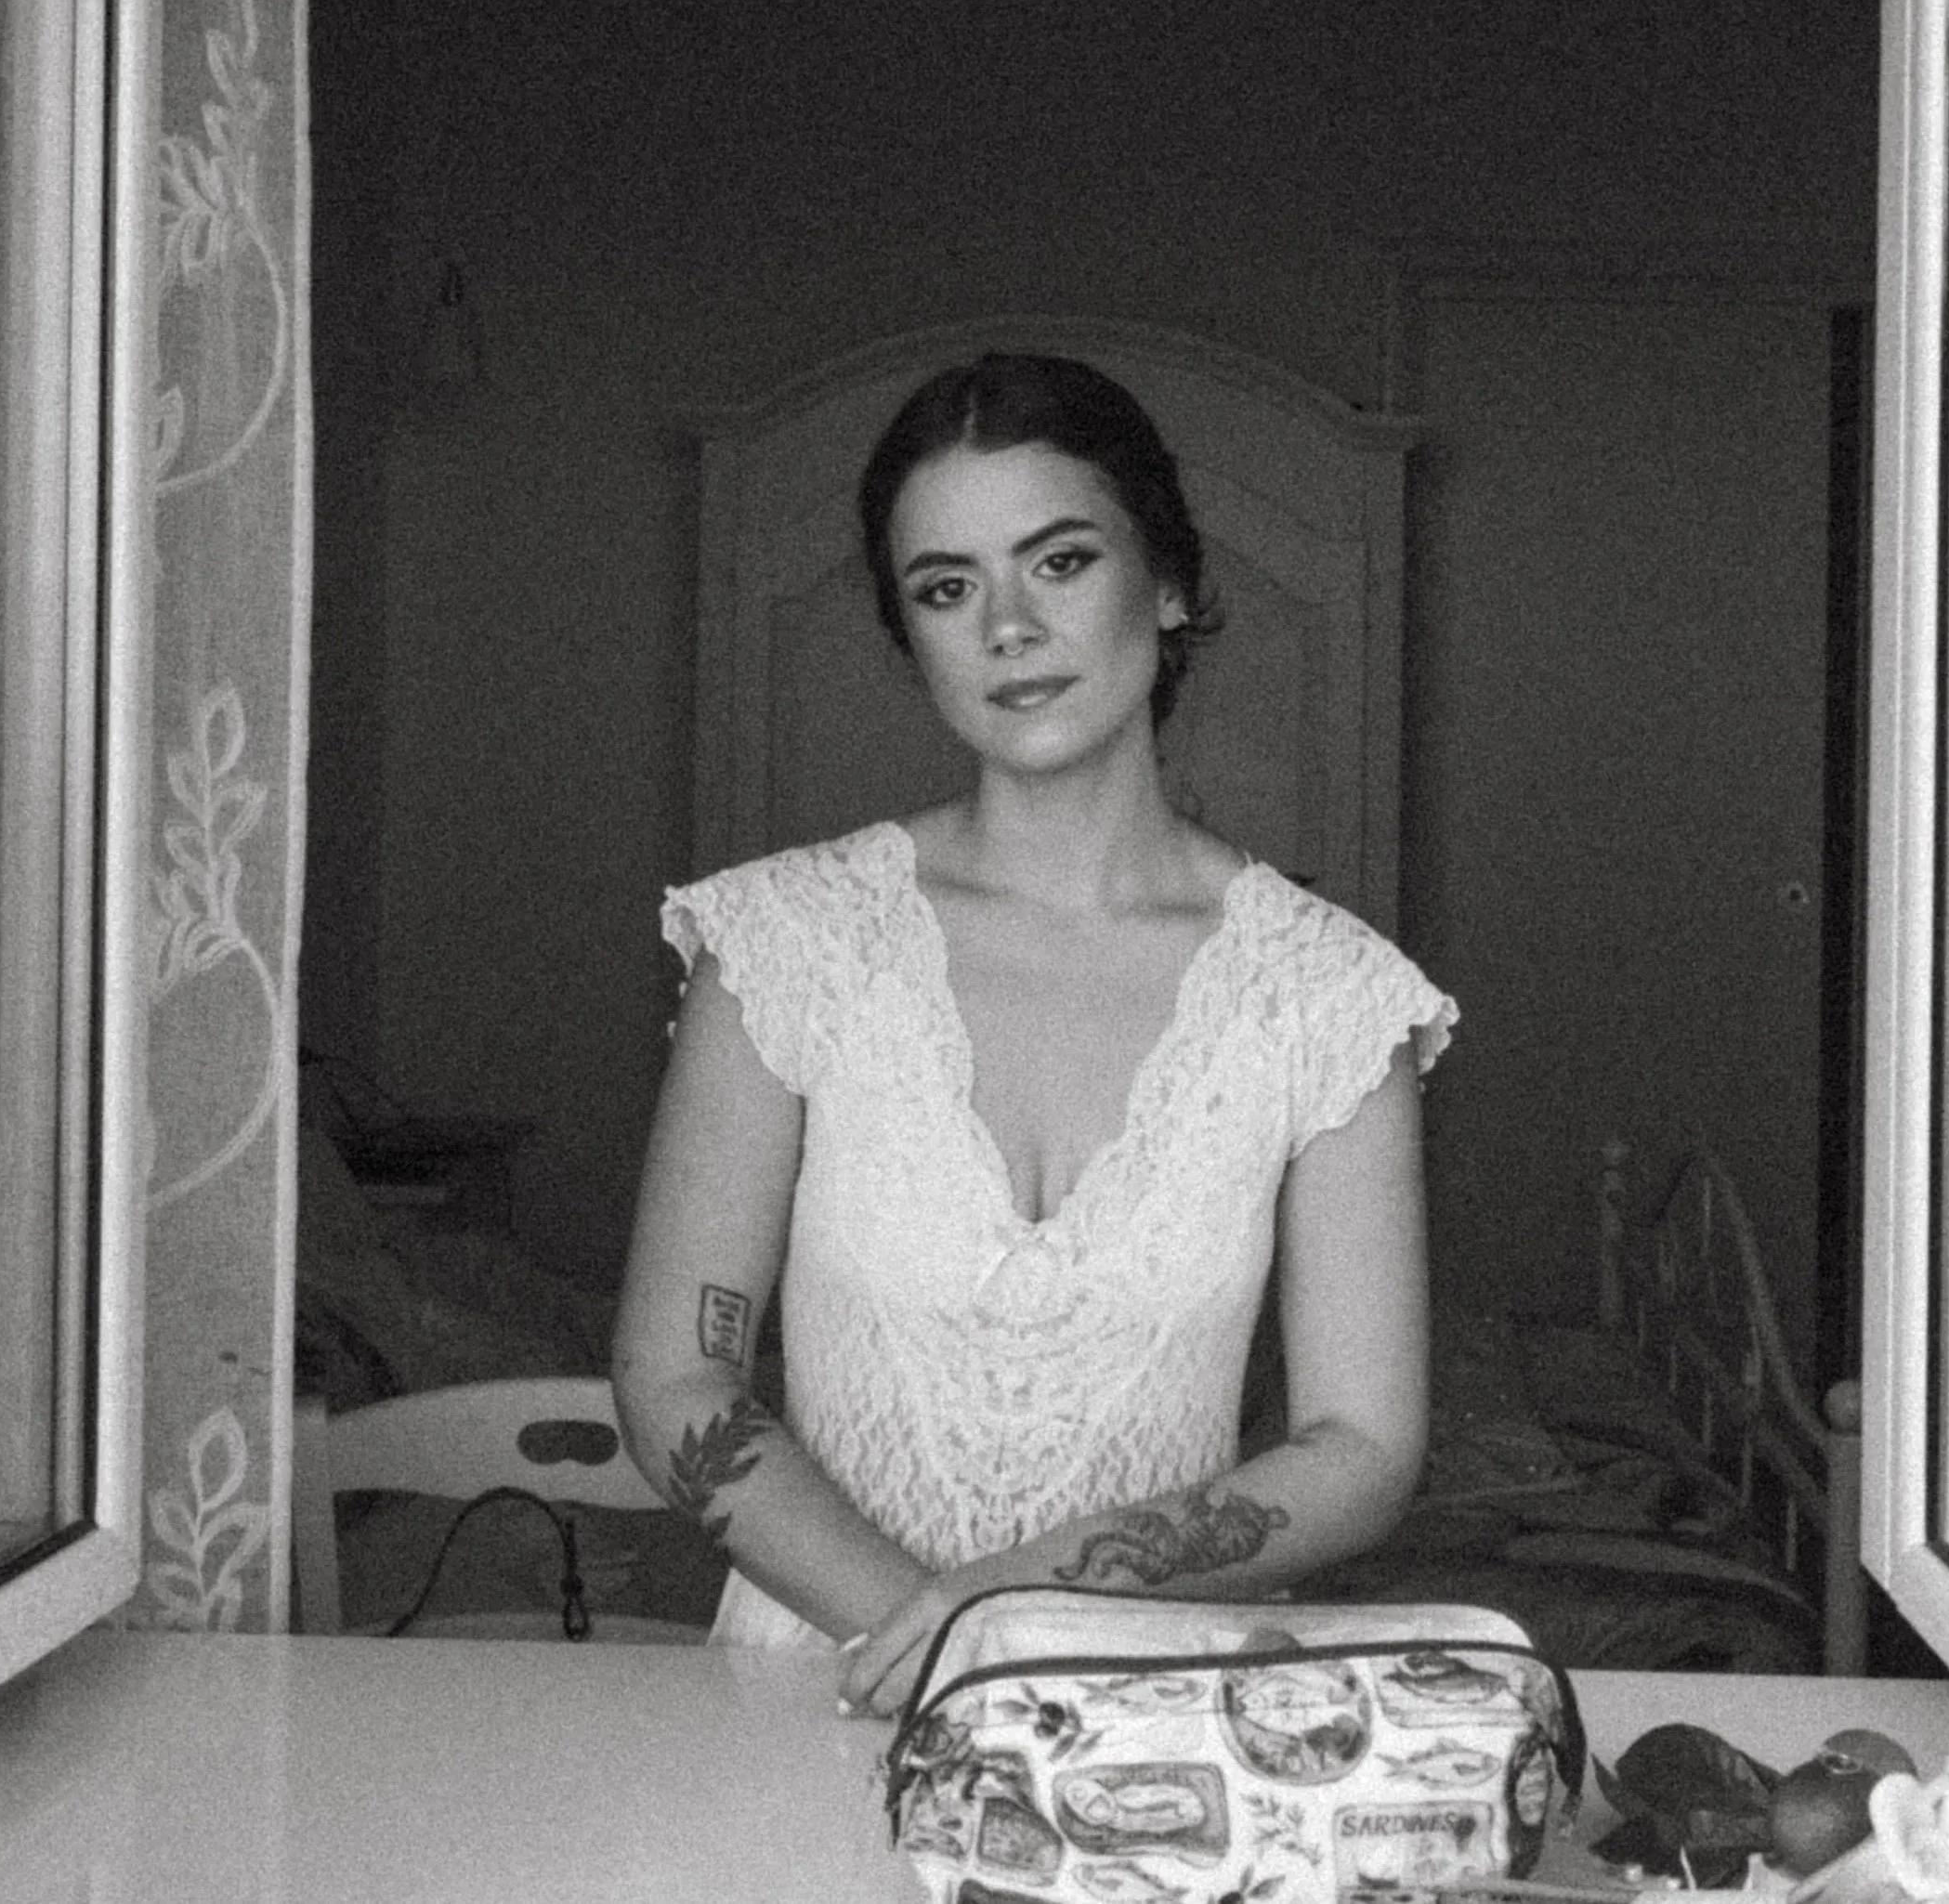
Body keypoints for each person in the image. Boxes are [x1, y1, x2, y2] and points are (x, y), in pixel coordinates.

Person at [611, 351, 1454, 1717]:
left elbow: (1359, 1445)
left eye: (1059, 562)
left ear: (1165, 582)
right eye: (946, 588)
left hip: (1157, 1716)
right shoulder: (785, 945)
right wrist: (946, 1644)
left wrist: (1018, 1609)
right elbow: (674, 1375)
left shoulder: (1329, 995)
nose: (1008, 625)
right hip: (814, 1699)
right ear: (909, 636)